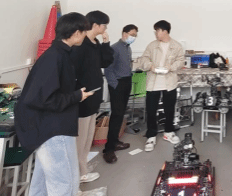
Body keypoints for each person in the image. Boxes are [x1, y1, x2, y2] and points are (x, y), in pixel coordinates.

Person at [15, 12, 93, 196]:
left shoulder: (58, 54)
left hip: (47, 128)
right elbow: (42, 98)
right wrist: (76, 96)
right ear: (76, 33)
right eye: (84, 32)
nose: (85, 35)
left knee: (42, 183)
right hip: (53, 129)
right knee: (65, 183)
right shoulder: (55, 57)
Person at [71, 11, 114, 183]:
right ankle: (77, 174)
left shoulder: (95, 43)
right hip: (82, 97)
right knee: (80, 139)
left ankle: (82, 169)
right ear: (95, 25)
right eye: (104, 25)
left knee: (88, 136)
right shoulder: (80, 44)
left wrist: (106, 43)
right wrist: (77, 94)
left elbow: (106, 62)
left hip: (94, 95)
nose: (105, 29)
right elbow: (73, 72)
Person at [137, 20, 184, 151]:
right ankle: (151, 136)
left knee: (169, 109)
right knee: (151, 110)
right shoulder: (152, 45)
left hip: (169, 82)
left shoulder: (176, 46)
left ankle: (168, 132)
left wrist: (171, 67)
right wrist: (150, 66)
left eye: (157, 30)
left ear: (164, 31)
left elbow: (181, 61)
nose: (156, 33)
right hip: (153, 83)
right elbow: (144, 59)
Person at [102, 24, 139, 163]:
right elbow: (108, 70)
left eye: (135, 35)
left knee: (120, 114)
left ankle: (115, 141)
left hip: (126, 82)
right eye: (132, 34)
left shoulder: (127, 48)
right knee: (116, 115)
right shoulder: (115, 48)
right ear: (124, 34)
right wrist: (115, 85)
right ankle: (108, 149)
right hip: (117, 84)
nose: (133, 37)